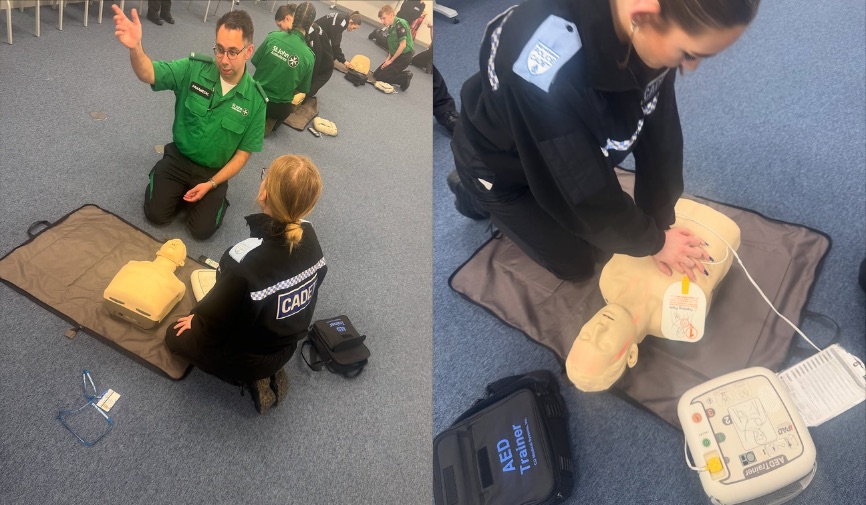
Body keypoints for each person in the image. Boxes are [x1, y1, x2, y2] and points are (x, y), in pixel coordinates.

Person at [447, 0, 760, 282]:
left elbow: (660, 134)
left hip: (553, 145)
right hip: (500, 167)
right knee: (581, 264)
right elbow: (580, 188)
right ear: (643, 14)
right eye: (689, 54)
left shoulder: (648, 25)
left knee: (612, 236)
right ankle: (470, 190)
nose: (689, 67)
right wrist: (653, 242)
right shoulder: (541, 68)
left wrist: (660, 219)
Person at [166, 155, 328, 414]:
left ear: (264, 194)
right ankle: (267, 370)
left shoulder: (241, 258)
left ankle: (249, 377)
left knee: (174, 335)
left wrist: (196, 321)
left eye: (265, 175)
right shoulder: (311, 235)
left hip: (248, 358)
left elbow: (218, 317)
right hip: (287, 347)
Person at [112, 6, 266, 240]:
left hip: (213, 172)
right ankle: (167, 181)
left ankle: (211, 197)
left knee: (201, 232)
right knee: (155, 215)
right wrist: (136, 47)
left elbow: (242, 155)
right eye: (219, 49)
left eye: (233, 52)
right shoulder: (193, 68)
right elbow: (149, 73)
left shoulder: (256, 101)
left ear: (249, 51)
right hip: (179, 158)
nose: (224, 60)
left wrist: (212, 183)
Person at [565, 199, 740, 392]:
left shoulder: (608, 280)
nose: (599, 329)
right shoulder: (680, 322)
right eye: (604, 344)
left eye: (585, 335)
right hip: (719, 224)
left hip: (669, 201)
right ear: (632, 355)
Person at [251, 3, 315, 135]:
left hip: (255, 95)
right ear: (311, 23)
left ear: (294, 17)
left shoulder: (273, 37)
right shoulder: (309, 56)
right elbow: (301, 89)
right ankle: (268, 123)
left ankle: (252, 114)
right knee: (289, 106)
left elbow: (256, 62)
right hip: (277, 107)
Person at [372, 4, 414, 91]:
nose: (382, 21)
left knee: (380, 78)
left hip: (404, 57)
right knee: (376, 74)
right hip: (396, 56)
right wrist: (387, 61)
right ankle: (394, 72)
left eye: (384, 18)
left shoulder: (400, 24)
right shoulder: (391, 27)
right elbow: (392, 47)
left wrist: (391, 61)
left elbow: (403, 45)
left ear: (391, 15)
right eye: (381, 19)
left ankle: (404, 77)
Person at [303, 5, 336, 98]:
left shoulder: (312, 35)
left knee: (304, 95)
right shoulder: (307, 28)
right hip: (317, 60)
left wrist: (307, 83)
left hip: (324, 69)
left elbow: (316, 62)